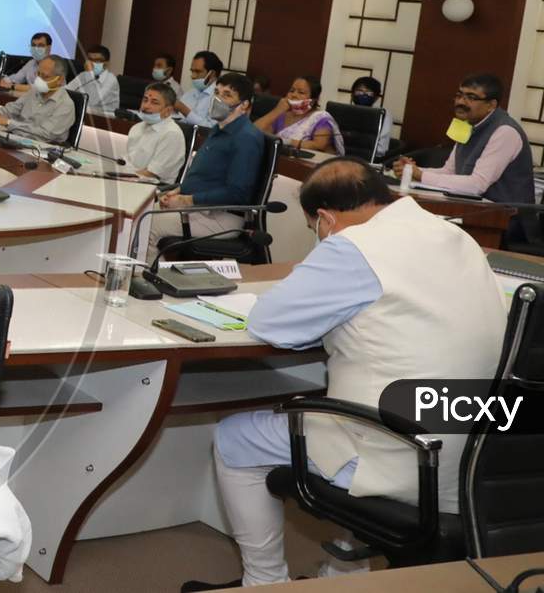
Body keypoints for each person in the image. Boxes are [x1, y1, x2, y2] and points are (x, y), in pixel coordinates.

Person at [181, 158, 504, 591]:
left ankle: (263, 583)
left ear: (326, 219)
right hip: (475, 448)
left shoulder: (354, 246)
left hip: (400, 447)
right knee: (342, 415)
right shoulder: (454, 235)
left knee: (236, 437)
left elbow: (270, 324)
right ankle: (340, 575)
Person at [393, 73, 535, 241]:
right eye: (459, 95)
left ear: (491, 105)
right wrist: (410, 170)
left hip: (507, 223)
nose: (460, 102)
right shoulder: (466, 123)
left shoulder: (505, 132)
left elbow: (477, 185)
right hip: (475, 213)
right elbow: (450, 171)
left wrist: (420, 175)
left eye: (471, 97)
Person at [150, 73, 265, 256]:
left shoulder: (246, 138)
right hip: (198, 208)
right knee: (137, 213)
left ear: (244, 105)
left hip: (221, 217)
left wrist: (187, 200)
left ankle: (147, 281)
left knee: (147, 226)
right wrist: (178, 192)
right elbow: (205, 177)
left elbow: (237, 193)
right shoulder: (218, 130)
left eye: (227, 95)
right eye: (217, 92)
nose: (217, 99)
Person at [0, 55, 76, 143]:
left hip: (42, 149)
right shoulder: (34, 91)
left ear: (60, 80)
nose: (39, 79)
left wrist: (8, 123)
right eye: (38, 74)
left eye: (45, 76)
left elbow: (45, 133)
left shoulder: (66, 105)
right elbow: (10, 110)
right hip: (16, 139)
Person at [254, 75, 344, 154]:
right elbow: (253, 132)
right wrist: (277, 111)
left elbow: (319, 145)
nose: (294, 95)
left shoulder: (321, 118)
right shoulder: (282, 115)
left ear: (313, 100)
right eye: (292, 91)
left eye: (301, 92)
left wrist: (288, 142)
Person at [127, 83, 187, 181]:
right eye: (145, 100)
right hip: (130, 180)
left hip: (153, 188)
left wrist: (121, 177)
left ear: (168, 110)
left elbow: (152, 173)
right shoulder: (137, 128)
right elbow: (127, 163)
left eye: (154, 102)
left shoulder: (172, 134)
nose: (146, 106)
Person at [0, 31, 51, 96]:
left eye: (41, 45)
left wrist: (12, 86)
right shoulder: (31, 63)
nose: (36, 48)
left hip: (47, 104)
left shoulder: (54, 65)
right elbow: (12, 79)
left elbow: (38, 88)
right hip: (31, 101)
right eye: (33, 45)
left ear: (49, 47)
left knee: (11, 94)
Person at [348, 76, 394, 159]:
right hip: (342, 155)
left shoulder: (383, 115)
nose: (363, 95)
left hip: (367, 159)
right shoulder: (345, 111)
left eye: (369, 92)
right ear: (352, 94)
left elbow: (380, 150)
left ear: (376, 97)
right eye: (359, 91)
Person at [176, 50, 224, 127]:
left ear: (212, 74)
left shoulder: (221, 98)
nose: (193, 76)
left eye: (198, 72)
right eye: (192, 71)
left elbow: (212, 128)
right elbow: (178, 118)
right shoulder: (189, 93)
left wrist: (184, 110)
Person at [69, 44, 120, 115]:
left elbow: (91, 101)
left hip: (105, 118)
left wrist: (90, 73)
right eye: (90, 59)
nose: (91, 63)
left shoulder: (111, 79)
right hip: (86, 113)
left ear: (106, 63)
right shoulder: (83, 75)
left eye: (97, 60)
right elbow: (67, 91)